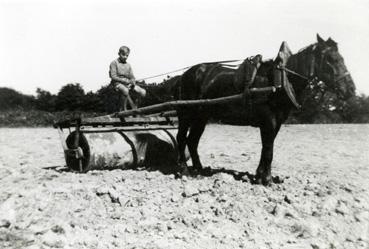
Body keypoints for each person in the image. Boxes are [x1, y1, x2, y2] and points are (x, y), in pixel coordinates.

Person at [109, 46, 145, 111]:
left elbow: (132, 77)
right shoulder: (114, 63)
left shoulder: (128, 65)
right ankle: (123, 110)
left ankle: (135, 108)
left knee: (143, 92)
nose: (125, 57)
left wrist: (133, 81)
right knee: (125, 90)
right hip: (116, 84)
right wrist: (124, 81)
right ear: (119, 53)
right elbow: (113, 76)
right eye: (123, 55)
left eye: (127, 55)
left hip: (127, 84)